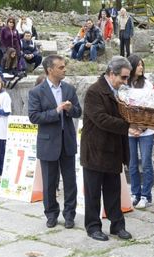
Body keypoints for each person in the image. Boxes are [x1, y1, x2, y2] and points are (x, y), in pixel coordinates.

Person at [80, 56, 133, 241]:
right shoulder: (95, 91)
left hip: (112, 150)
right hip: (95, 150)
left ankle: (117, 225)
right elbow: (101, 119)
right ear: (111, 74)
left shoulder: (120, 92)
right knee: (93, 193)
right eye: (123, 78)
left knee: (113, 191)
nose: (125, 82)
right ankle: (93, 227)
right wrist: (129, 126)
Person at [28, 55, 81, 229]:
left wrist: (70, 108)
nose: (64, 69)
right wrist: (56, 111)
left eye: (64, 66)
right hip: (48, 143)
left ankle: (69, 215)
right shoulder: (36, 92)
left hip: (67, 142)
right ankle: (51, 214)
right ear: (50, 70)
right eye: (61, 67)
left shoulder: (69, 89)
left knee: (70, 182)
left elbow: (78, 112)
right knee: (49, 183)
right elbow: (34, 117)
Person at [126, 54, 154, 209]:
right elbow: (122, 108)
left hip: (146, 130)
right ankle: (135, 193)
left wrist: (143, 126)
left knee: (146, 162)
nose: (141, 68)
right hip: (130, 129)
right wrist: (131, 126)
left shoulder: (148, 85)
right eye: (138, 65)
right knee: (132, 164)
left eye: (142, 65)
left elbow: (151, 107)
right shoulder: (125, 85)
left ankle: (146, 195)